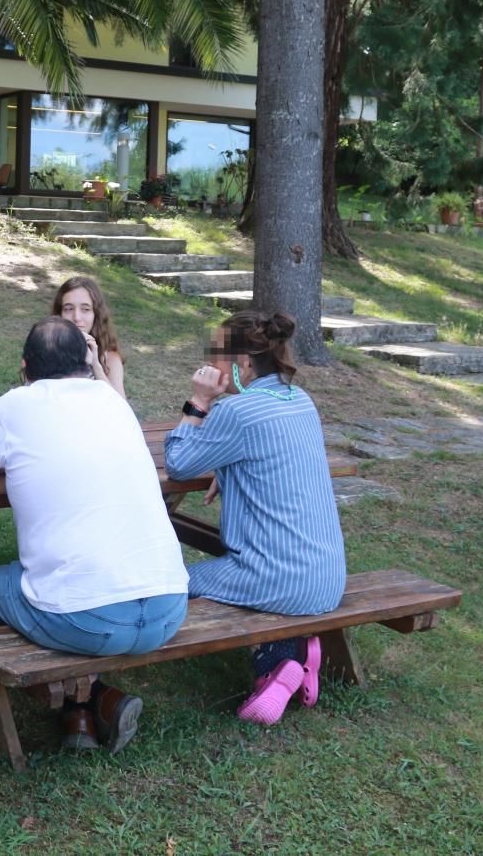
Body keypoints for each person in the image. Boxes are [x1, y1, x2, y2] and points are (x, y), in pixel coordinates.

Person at [0, 317, 188, 753]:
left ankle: (81, 703)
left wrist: (23, 475)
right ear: (84, 360)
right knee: (70, 587)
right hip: (169, 609)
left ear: (25, 367)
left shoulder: (15, 405)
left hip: (87, 621)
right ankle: (95, 702)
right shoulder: (115, 403)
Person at [162, 310, 346, 726]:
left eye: (214, 355)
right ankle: (292, 651)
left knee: (172, 582)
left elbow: (177, 464)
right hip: (326, 579)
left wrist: (200, 402)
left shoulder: (236, 413)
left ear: (243, 363)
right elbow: (275, 460)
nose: (208, 365)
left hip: (275, 578)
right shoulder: (300, 400)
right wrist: (230, 472)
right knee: (244, 579)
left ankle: (282, 659)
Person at [52, 276, 125, 398]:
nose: (76, 317)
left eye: (85, 309)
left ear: (96, 315)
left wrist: (95, 365)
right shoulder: (46, 349)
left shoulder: (109, 359)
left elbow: (122, 408)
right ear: (60, 314)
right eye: (69, 309)